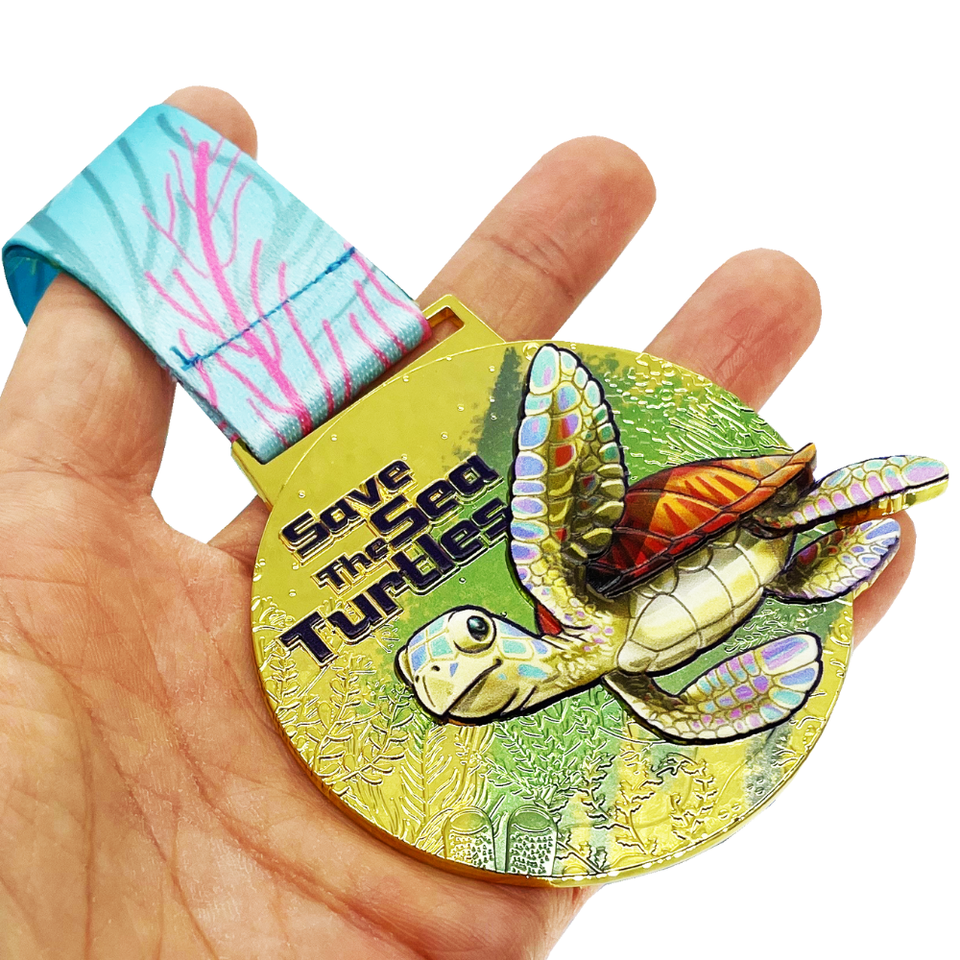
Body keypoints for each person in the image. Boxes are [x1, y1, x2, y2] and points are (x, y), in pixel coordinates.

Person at [0, 86, 915, 959]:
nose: (445, 666)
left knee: (787, 529)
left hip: (693, 521)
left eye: (468, 632)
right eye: (446, 661)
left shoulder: (550, 579)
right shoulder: (618, 678)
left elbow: (555, 467)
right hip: (689, 603)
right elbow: (745, 693)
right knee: (781, 602)